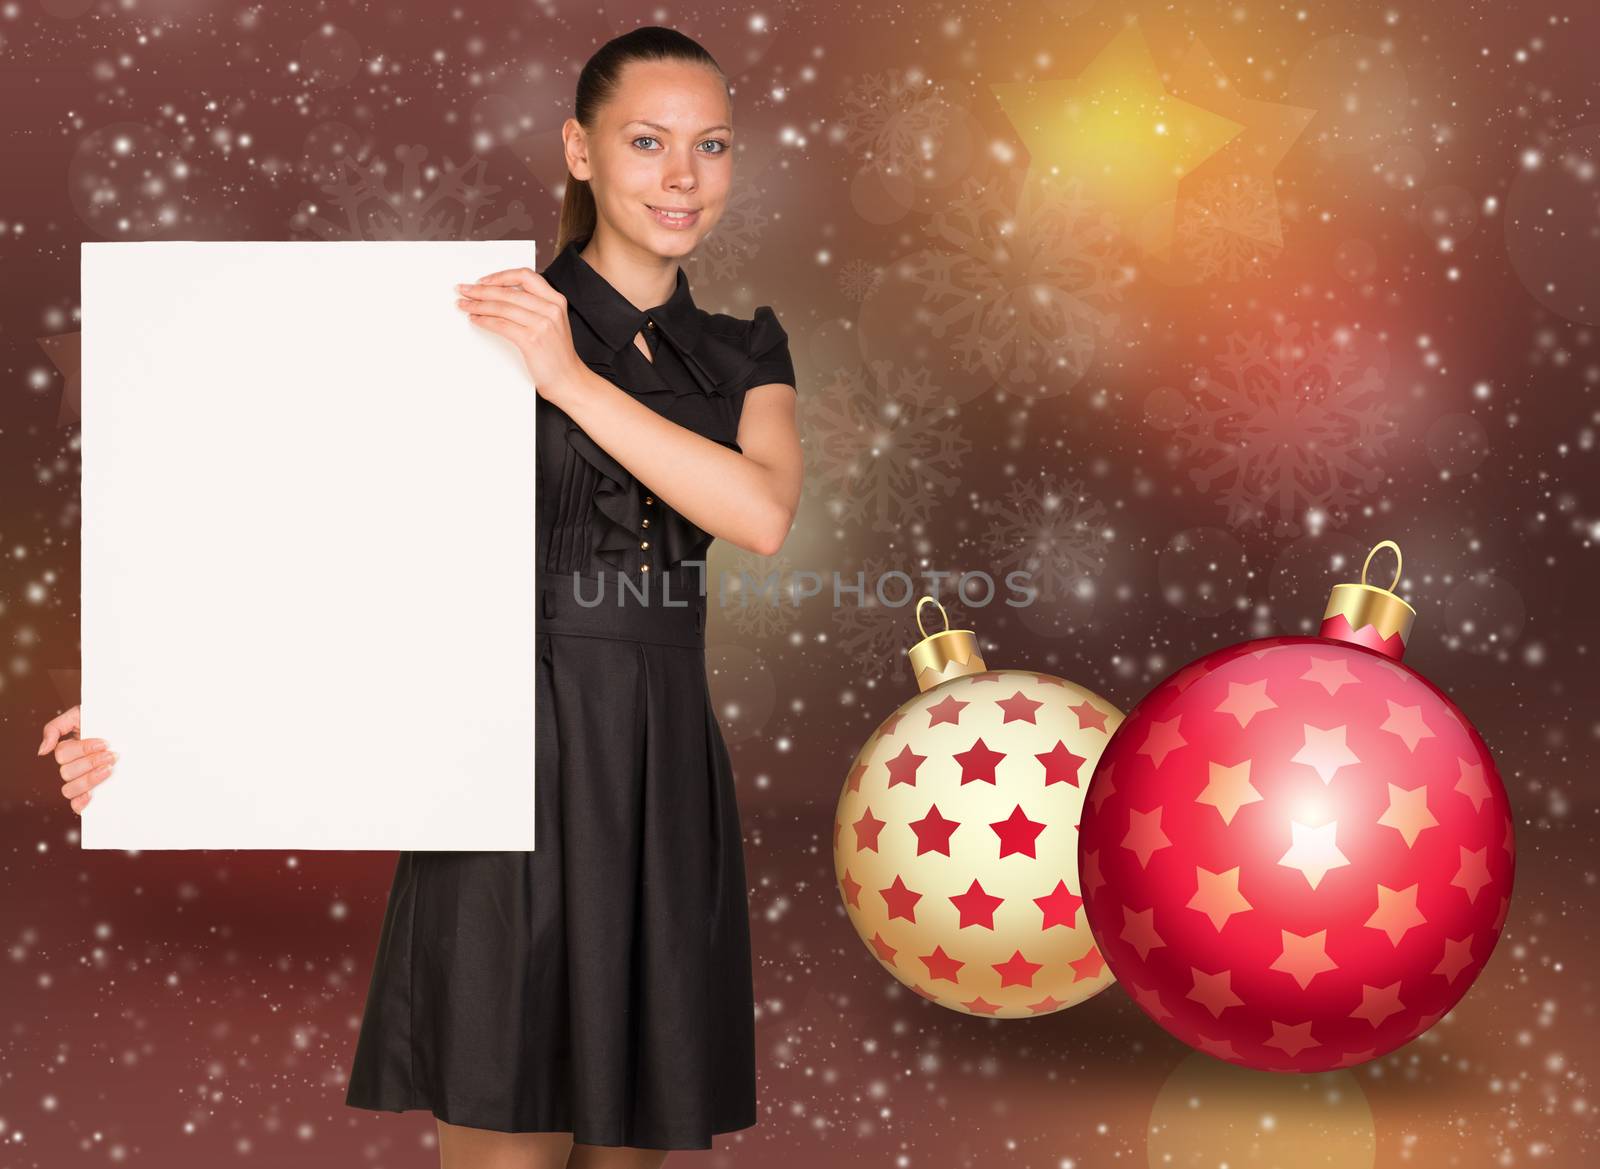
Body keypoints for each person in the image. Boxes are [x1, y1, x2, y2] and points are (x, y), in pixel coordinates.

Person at [42, 24, 802, 1169]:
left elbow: (758, 511)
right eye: (646, 141)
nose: (681, 176)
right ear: (579, 151)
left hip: (658, 778)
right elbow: (314, 546)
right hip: (494, 767)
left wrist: (566, 379)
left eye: (711, 144)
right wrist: (139, 713)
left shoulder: (747, 349)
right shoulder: (466, 322)